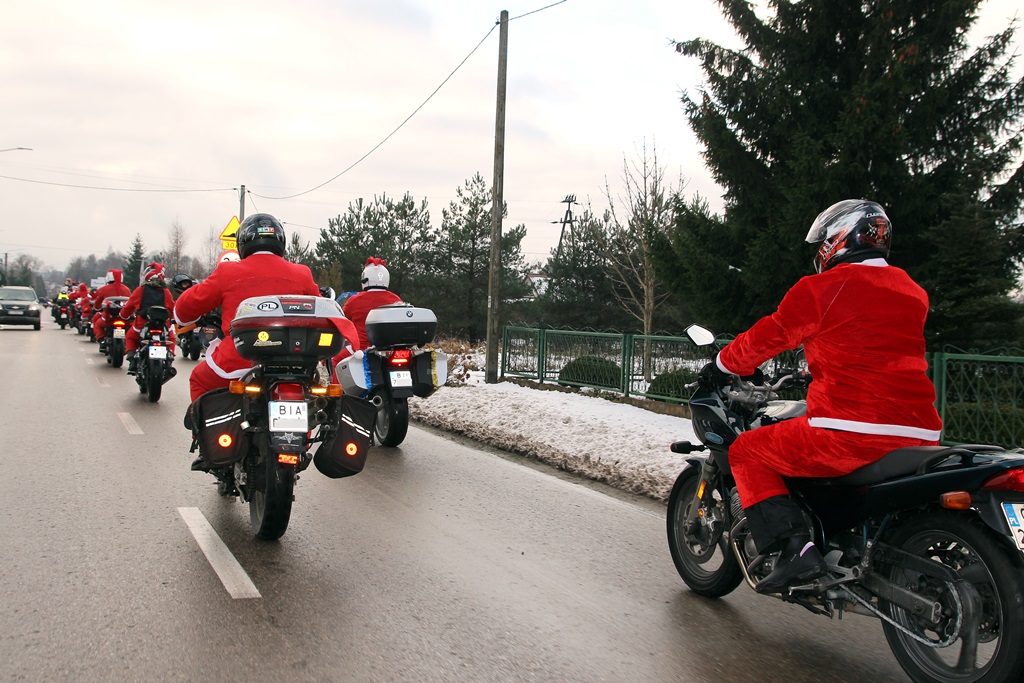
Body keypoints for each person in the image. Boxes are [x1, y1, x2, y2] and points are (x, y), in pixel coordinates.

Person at [704, 199, 942, 594]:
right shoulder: (911, 291)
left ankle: (794, 550)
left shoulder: (821, 289)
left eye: (823, 243)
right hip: (920, 433)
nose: (820, 251)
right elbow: (873, 348)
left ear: (839, 239)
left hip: (849, 433)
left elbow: (770, 335)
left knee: (747, 450)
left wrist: (723, 363)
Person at [173, 213, 324, 402]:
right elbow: (323, 312)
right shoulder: (302, 274)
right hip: (296, 363)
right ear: (280, 241)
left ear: (242, 242)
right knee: (310, 400)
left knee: (199, 379)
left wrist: (186, 314)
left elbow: (184, 310)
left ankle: (216, 422)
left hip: (238, 360)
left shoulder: (228, 272)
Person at [336, 257, 402, 359]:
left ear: (365, 279)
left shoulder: (354, 300)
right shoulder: (396, 299)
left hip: (361, 348)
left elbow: (341, 320)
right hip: (390, 348)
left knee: (335, 360)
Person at [120, 262, 176, 375]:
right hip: (163, 326)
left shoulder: (140, 290)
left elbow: (129, 306)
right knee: (171, 338)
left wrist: (123, 316)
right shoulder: (166, 292)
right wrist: (173, 319)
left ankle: (132, 361)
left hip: (142, 325)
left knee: (130, 337)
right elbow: (172, 309)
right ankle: (169, 358)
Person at [91, 270, 131, 344]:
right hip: (124, 316)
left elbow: (98, 303)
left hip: (109, 316)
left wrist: (97, 308)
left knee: (97, 324)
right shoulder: (127, 289)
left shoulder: (103, 289)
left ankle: (101, 340)